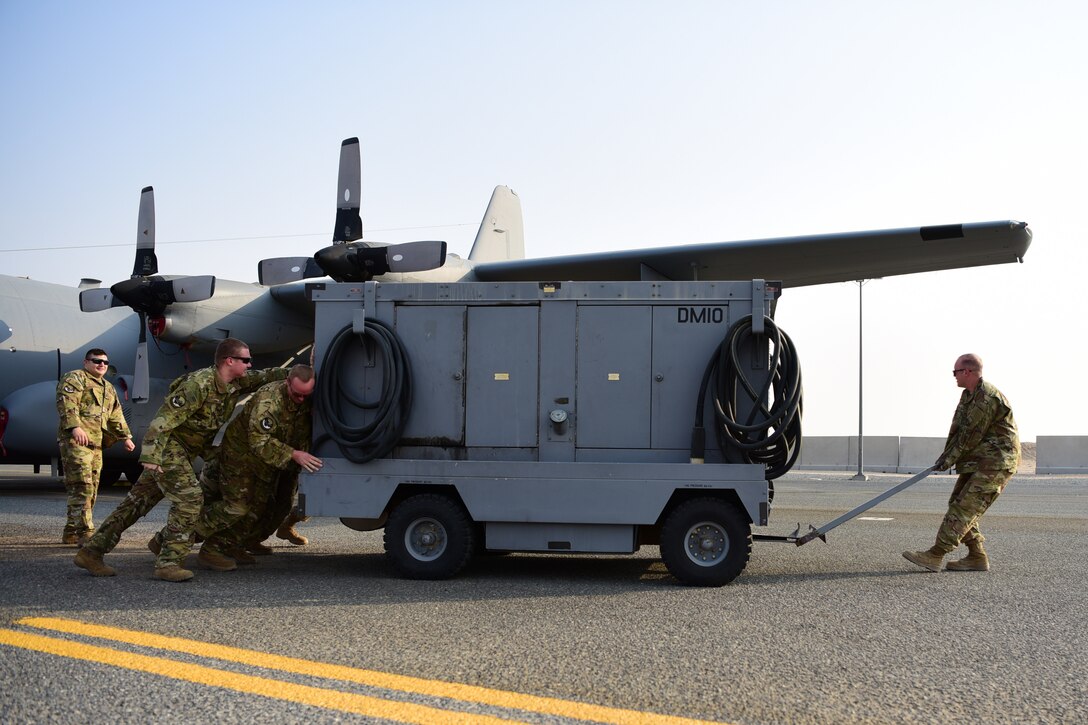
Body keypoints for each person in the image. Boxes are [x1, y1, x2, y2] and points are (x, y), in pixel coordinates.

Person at [74, 338, 288, 581]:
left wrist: (313, 367)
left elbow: (267, 375)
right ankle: (168, 562)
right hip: (169, 449)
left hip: (186, 452)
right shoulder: (198, 384)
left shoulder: (234, 383)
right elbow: (163, 420)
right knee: (190, 500)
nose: (250, 365)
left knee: (134, 505)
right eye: (246, 360)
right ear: (230, 361)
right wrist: (152, 456)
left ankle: (91, 552)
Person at [186, 364, 322, 571]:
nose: (302, 400)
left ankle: (240, 543)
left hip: (277, 461)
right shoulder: (269, 400)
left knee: (276, 507)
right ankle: (200, 545)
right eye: (297, 395)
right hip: (243, 457)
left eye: (306, 396)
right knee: (241, 507)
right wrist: (294, 454)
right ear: (287, 383)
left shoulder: (304, 397)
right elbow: (259, 441)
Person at [903, 354, 1020, 572]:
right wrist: (945, 456)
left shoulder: (986, 397)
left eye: (955, 372)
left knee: (964, 509)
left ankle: (935, 554)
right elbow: (959, 431)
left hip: (996, 462)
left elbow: (971, 436)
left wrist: (948, 460)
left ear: (967, 372)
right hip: (979, 461)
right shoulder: (969, 395)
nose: (954, 377)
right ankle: (976, 555)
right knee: (959, 503)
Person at [55, 348, 135, 545]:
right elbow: (67, 404)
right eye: (96, 361)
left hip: (96, 444)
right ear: (86, 362)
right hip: (76, 441)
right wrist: (75, 427)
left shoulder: (108, 387)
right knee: (83, 485)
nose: (101, 365)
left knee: (91, 487)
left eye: (105, 362)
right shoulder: (75, 378)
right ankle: (86, 532)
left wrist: (125, 437)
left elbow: (116, 415)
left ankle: (71, 531)